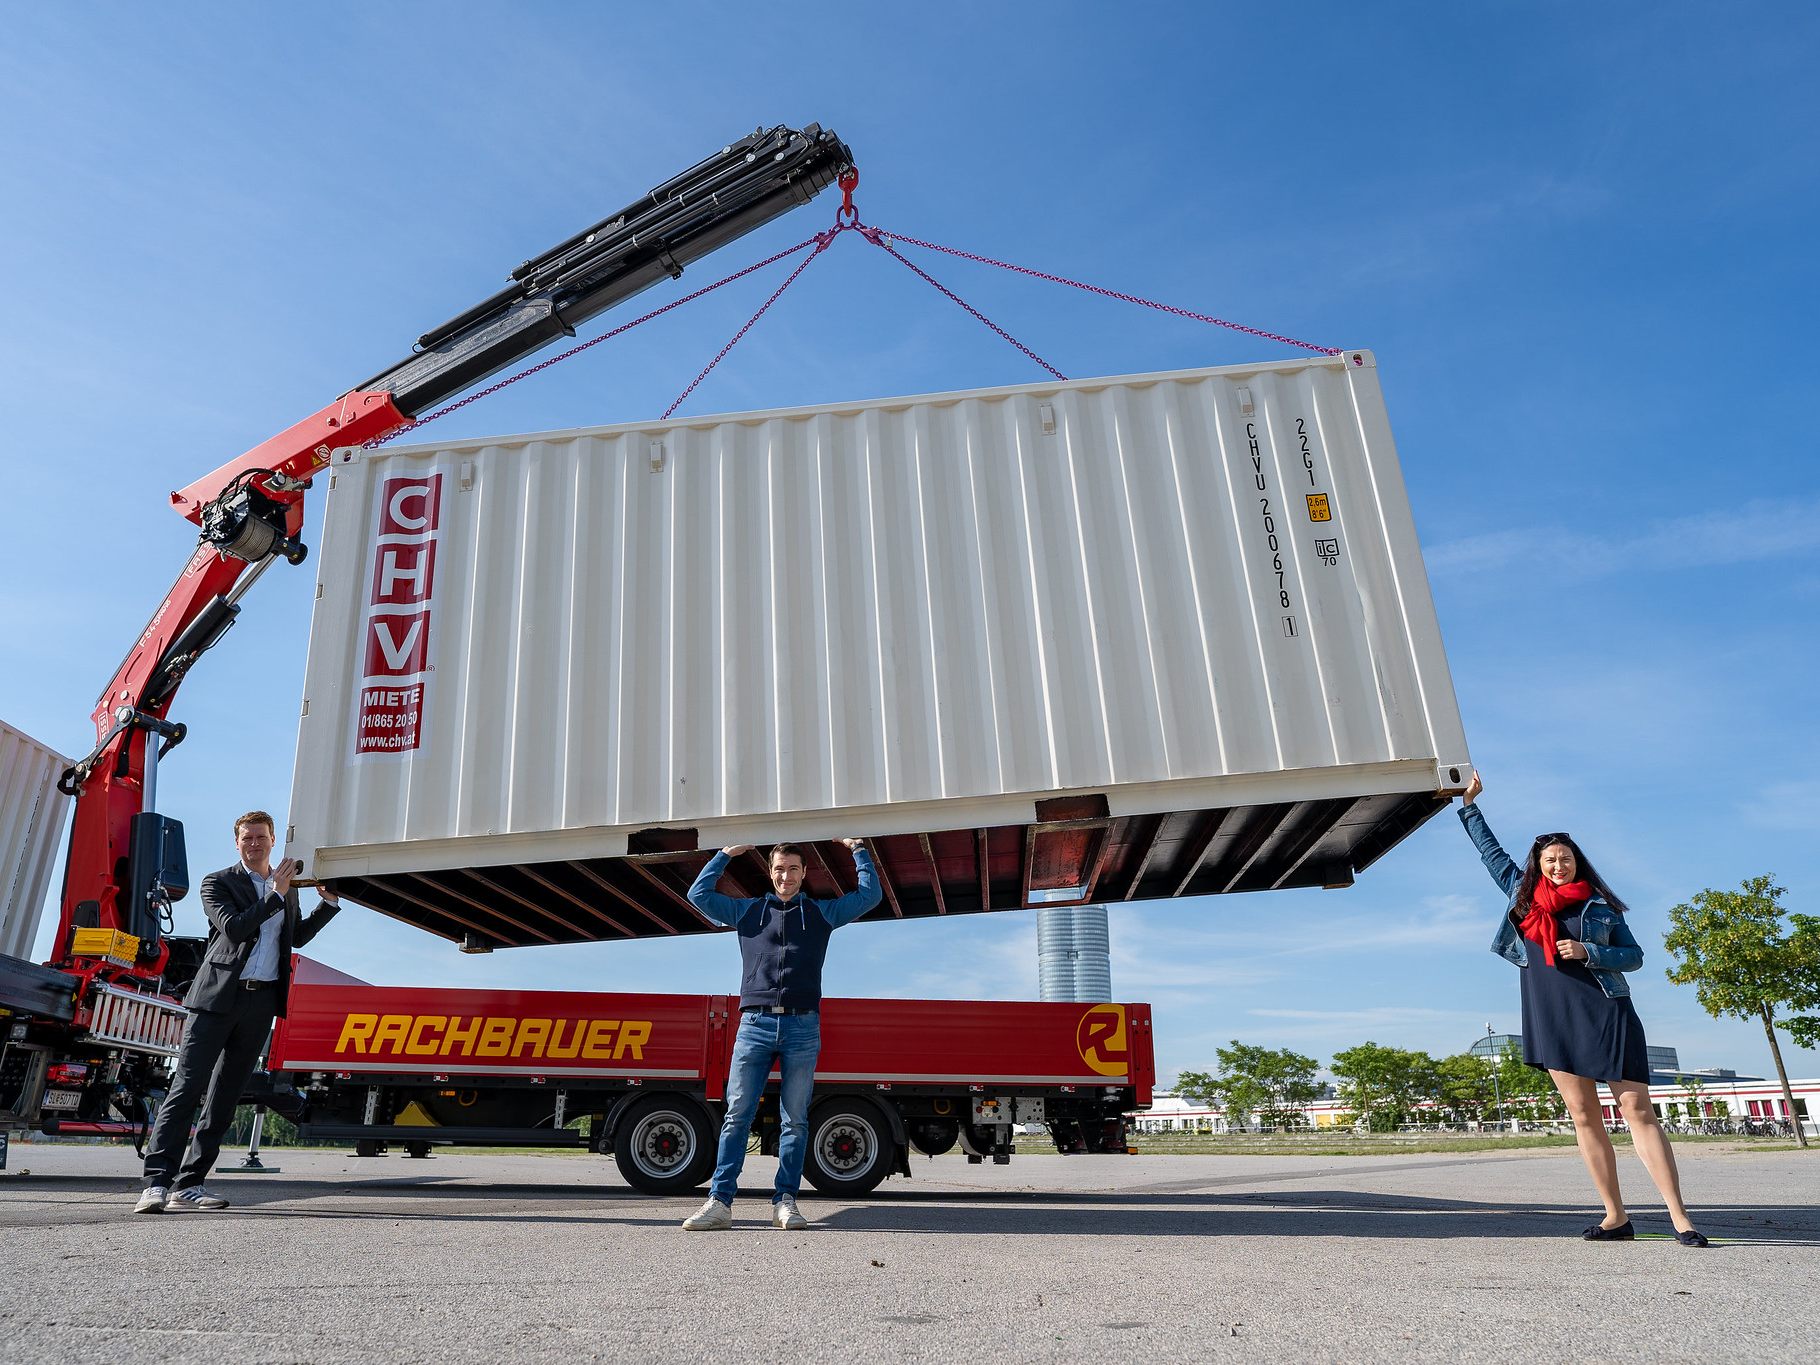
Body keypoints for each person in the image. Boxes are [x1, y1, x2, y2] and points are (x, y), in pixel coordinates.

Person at [1457, 772, 1707, 1246]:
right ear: (1538, 865)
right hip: (1551, 1016)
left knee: (1637, 1110)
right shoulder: (1522, 896)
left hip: (1606, 1012)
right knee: (1583, 1116)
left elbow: (1634, 957)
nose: (1557, 866)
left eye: (1565, 858)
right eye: (1549, 860)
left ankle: (1680, 1218)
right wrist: (1469, 805)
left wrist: (1590, 952)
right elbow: (1489, 852)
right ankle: (1616, 1216)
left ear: (1577, 862)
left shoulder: (1601, 907)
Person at [135, 810, 343, 1213]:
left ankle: (190, 1184)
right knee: (187, 1089)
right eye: (247, 838)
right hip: (216, 999)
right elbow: (234, 929)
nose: (254, 844)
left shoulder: (287, 888)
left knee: (225, 1097)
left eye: (261, 837)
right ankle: (156, 1183)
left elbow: (294, 936)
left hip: (260, 1001)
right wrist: (275, 894)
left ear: (272, 839)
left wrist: (328, 905)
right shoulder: (219, 882)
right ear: (237, 842)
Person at [680, 839, 881, 1231]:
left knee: (795, 1120)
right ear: (770, 873)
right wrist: (726, 854)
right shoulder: (748, 911)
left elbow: (869, 895)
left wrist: (858, 850)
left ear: (804, 874)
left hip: (802, 1027)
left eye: (792, 869)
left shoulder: (821, 914)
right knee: (737, 1116)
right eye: (778, 869)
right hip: (754, 1025)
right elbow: (698, 894)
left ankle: (785, 1202)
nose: (785, 876)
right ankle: (719, 1203)